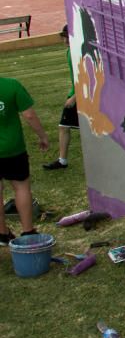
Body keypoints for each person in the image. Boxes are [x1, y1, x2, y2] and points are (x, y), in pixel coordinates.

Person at [0, 76, 51, 245]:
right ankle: (28, 231)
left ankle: (2, 234)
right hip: (12, 149)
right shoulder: (11, 85)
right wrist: (42, 136)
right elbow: (29, 115)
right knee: (21, 187)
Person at [44, 25, 78, 170]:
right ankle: (62, 160)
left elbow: (85, 77)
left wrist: (74, 98)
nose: (63, 40)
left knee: (64, 127)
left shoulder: (76, 53)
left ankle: (62, 160)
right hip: (77, 93)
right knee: (64, 127)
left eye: (65, 36)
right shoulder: (70, 52)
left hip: (79, 96)